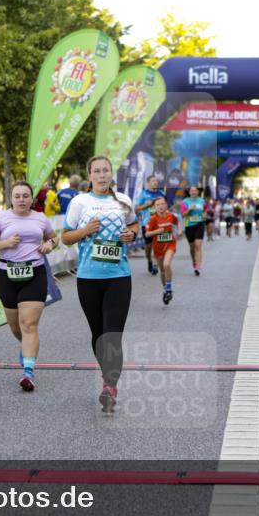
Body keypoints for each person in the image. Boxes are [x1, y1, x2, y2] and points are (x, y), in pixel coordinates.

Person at [61, 155, 138, 413]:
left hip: (118, 277)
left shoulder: (123, 201)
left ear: (111, 174)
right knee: (98, 335)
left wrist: (131, 234)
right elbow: (66, 237)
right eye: (97, 171)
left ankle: (109, 386)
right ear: (90, 175)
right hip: (88, 278)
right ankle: (108, 375)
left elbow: (134, 224)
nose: (102, 175)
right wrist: (85, 231)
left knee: (112, 335)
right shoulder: (79, 202)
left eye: (106, 170)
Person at [0, 182, 59, 392]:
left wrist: (49, 244)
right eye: (17, 196)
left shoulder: (40, 218)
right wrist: (5, 243)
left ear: (32, 199)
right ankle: (26, 347)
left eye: (26, 196)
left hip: (35, 274)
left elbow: (54, 238)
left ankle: (28, 372)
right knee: (16, 327)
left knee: (29, 324)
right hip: (7, 275)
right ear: (11, 198)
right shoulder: (2, 218)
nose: (22, 199)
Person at [144, 196, 181, 305]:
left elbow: (177, 223)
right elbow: (147, 234)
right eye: (158, 205)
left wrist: (179, 230)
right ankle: (165, 289)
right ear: (154, 208)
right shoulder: (153, 219)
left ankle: (169, 288)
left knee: (166, 265)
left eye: (162, 204)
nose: (160, 206)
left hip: (170, 244)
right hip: (158, 248)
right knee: (162, 271)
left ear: (166, 205)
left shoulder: (171, 216)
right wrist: (156, 231)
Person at [135, 175, 167, 276]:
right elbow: (136, 208)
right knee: (148, 246)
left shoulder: (161, 194)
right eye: (153, 181)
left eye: (156, 181)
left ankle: (155, 265)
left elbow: (167, 207)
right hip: (147, 223)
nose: (155, 182)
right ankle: (149, 261)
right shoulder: (144, 194)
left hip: (159, 223)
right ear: (148, 183)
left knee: (158, 244)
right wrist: (146, 205)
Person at [178, 185, 206, 276]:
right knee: (192, 248)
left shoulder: (202, 201)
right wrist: (189, 209)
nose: (194, 192)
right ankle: (194, 261)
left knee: (198, 246)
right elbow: (182, 215)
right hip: (189, 226)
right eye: (192, 191)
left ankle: (198, 267)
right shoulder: (185, 202)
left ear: (198, 192)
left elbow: (205, 210)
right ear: (189, 192)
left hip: (199, 225)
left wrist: (204, 215)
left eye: (195, 190)